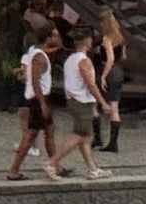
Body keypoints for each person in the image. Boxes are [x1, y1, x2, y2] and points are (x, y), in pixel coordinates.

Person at [45, 30, 114, 180]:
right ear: (85, 41)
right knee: (79, 135)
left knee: (86, 137)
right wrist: (103, 102)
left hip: (73, 99)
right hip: (82, 101)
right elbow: (90, 84)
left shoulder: (70, 59)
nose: (91, 41)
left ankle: (92, 169)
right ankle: (52, 162)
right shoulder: (84, 61)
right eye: (89, 39)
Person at [7, 31, 59, 179]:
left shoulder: (37, 54)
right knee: (31, 135)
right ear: (47, 38)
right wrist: (42, 103)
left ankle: (56, 165)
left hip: (40, 97)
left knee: (49, 131)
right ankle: (14, 169)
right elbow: (35, 80)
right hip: (38, 99)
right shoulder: (39, 58)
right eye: (54, 35)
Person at [95, 10, 126, 154]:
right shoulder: (120, 36)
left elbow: (110, 58)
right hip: (119, 71)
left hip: (109, 71)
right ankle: (113, 142)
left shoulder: (107, 37)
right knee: (115, 106)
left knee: (99, 104)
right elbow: (123, 56)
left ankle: (100, 139)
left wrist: (103, 75)